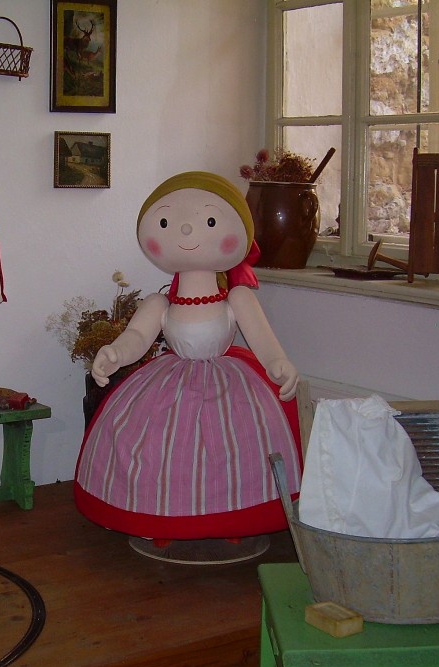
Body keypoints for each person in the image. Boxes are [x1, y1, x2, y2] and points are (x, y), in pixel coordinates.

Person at [74, 171, 303, 553]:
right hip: (169, 381)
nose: (184, 229)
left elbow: (264, 340)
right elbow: (137, 337)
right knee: (160, 451)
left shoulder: (237, 298)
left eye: (209, 221)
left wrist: (278, 363)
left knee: (235, 450)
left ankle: (234, 517)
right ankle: (162, 517)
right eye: (165, 222)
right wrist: (115, 353)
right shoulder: (159, 303)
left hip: (230, 383)